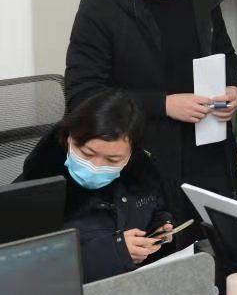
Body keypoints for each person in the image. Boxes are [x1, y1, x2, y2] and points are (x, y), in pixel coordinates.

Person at [64, 0, 237, 246]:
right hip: (144, 164)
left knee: (221, 253)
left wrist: (236, 90)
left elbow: (229, 59)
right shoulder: (101, 7)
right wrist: (164, 104)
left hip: (209, 156)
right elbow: (83, 96)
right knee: (162, 259)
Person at [17, 90, 173, 283]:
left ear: (131, 155)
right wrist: (114, 252)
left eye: (113, 159)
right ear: (68, 138)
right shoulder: (32, 194)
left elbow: (155, 208)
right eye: (87, 154)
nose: (96, 166)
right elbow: (27, 270)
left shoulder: (141, 177)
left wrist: (158, 225)